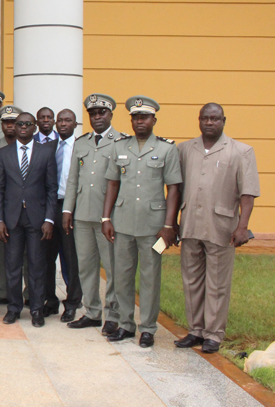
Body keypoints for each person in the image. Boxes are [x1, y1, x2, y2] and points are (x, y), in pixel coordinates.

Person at [174, 103, 259, 354]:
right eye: (205, 118)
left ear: (224, 120)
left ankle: (213, 334)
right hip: (190, 223)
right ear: (198, 120)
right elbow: (176, 188)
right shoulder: (185, 149)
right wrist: (173, 222)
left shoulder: (240, 151)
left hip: (221, 226)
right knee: (191, 280)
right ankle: (195, 330)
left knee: (218, 283)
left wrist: (243, 227)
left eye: (215, 119)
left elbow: (248, 193)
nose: (209, 123)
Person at [102, 96, 182, 348]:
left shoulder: (166, 149)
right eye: (136, 117)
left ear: (153, 120)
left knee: (149, 278)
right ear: (132, 120)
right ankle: (126, 324)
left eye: (144, 117)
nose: (140, 121)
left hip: (152, 226)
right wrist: (106, 217)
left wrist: (169, 225)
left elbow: (174, 189)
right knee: (122, 276)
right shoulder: (119, 147)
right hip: (123, 223)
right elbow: (112, 184)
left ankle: (147, 328)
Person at [62, 94, 121, 335]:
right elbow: (73, 179)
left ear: (110, 115)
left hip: (109, 219)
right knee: (86, 266)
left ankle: (114, 315)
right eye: (93, 114)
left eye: (101, 113)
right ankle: (93, 312)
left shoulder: (121, 142)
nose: (97, 117)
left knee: (113, 267)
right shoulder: (82, 142)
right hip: (82, 216)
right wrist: (67, 209)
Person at [0, 112, 58, 327]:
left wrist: (49, 219)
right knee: (12, 265)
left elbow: (51, 189)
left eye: (27, 124)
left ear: (35, 127)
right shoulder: (3, 153)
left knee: (36, 266)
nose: (22, 127)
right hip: (11, 220)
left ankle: (37, 309)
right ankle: (13, 308)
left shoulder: (46, 152)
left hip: (37, 219)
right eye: (18, 124)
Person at [41, 108, 82, 322]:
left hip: (71, 207)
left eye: (68, 121)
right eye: (61, 121)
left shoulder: (82, 146)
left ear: (76, 124)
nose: (63, 124)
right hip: (50, 206)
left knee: (70, 257)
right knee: (47, 257)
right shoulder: (48, 147)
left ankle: (73, 302)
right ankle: (50, 301)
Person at [0, 104, 23, 306]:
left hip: (24, 209)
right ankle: (2, 290)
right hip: (0, 207)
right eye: (6, 122)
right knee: (0, 254)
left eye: (14, 122)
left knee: (25, 255)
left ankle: (25, 292)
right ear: (1, 125)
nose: (10, 126)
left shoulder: (29, 145)